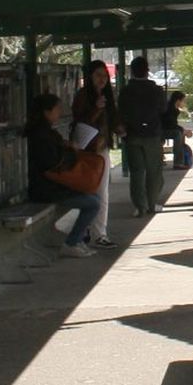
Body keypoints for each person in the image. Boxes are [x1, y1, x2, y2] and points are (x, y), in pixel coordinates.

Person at [24, 93, 101, 258]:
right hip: (46, 189)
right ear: (47, 111)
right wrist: (70, 152)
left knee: (93, 198)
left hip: (52, 186)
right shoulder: (40, 135)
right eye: (57, 109)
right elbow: (51, 162)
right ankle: (71, 242)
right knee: (92, 203)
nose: (59, 112)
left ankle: (76, 239)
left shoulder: (46, 132)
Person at [70, 59, 121, 249]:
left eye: (104, 76)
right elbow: (81, 121)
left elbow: (113, 118)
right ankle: (86, 230)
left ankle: (100, 232)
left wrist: (120, 129)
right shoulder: (83, 96)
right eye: (98, 75)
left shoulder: (107, 96)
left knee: (102, 191)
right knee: (87, 190)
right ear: (90, 76)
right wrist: (96, 109)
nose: (102, 80)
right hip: (85, 149)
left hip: (102, 147)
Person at [117, 55, 167, 216]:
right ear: (147, 70)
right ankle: (152, 204)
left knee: (137, 172)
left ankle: (140, 206)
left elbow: (121, 112)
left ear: (132, 71)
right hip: (152, 134)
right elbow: (163, 110)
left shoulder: (126, 91)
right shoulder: (157, 90)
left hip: (132, 135)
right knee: (154, 171)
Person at [163, 91, 193, 169]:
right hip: (161, 130)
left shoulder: (174, 110)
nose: (184, 103)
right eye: (183, 101)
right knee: (178, 134)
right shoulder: (168, 109)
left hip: (165, 129)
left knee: (180, 133)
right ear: (178, 101)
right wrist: (183, 130)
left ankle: (181, 160)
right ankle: (178, 163)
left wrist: (183, 130)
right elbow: (169, 125)